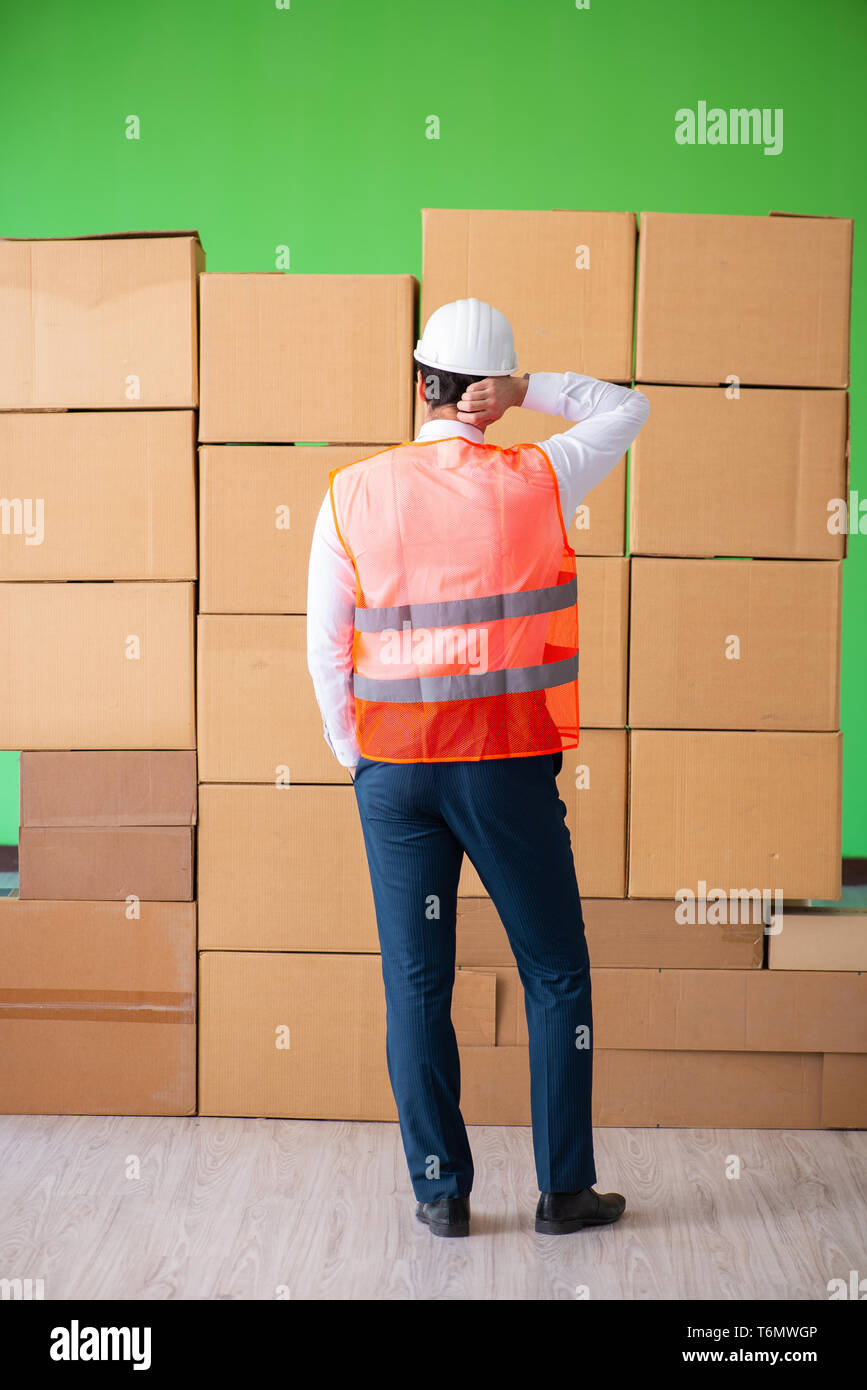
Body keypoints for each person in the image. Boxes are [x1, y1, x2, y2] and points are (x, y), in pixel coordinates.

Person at [307, 299, 650, 1237]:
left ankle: (440, 1193)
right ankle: (563, 1192)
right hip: (502, 768)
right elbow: (626, 407)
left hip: (396, 774)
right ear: (489, 397)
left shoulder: (352, 491)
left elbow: (324, 651)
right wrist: (531, 388)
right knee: (554, 974)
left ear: (420, 382)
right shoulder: (539, 475)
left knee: (415, 983)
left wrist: (362, 761)